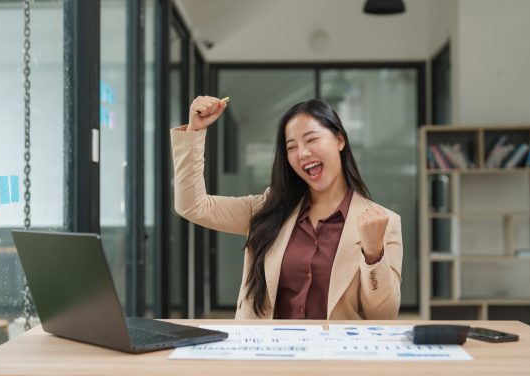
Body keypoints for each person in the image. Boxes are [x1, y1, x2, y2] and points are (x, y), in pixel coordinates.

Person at [171, 96, 403, 320]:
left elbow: (382, 315)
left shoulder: (384, 222)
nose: (302, 153)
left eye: (311, 139)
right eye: (291, 147)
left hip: (333, 356)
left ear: (340, 140)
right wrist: (194, 131)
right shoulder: (269, 208)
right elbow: (193, 205)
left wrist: (374, 255)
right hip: (266, 353)